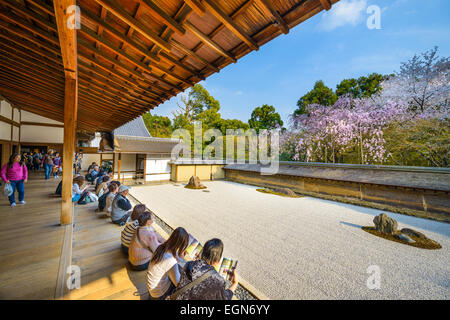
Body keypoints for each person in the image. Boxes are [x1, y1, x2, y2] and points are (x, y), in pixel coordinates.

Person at [174, 238, 239, 300]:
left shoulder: (189, 264)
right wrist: (235, 283)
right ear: (217, 260)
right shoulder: (219, 280)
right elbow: (224, 298)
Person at [147, 227, 189, 300]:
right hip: (159, 295)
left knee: (177, 270)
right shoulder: (171, 261)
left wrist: (180, 258)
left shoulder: (161, 247)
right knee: (184, 288)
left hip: (152, 289)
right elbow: (178, 284)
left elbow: (171, 260)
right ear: (181, 246)